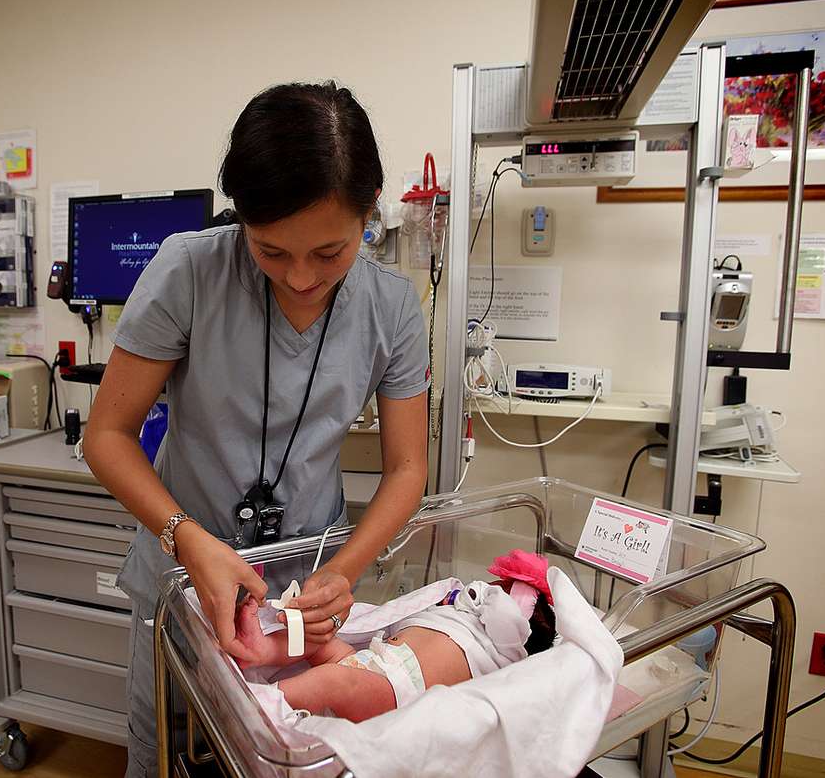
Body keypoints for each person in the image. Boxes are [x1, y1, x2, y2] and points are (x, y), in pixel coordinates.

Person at [83, 80, 430, 777]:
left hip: (303, 594)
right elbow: (108, 436)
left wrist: (344, 569)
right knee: (168, 755)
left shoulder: (391, 308)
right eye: (271, 252)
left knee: (295, 753)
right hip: (185, 573)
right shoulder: (189, 271)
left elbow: (407, 468)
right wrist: (188, 538)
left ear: (370, 216)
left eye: (329, 253)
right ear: (239, 219)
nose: (301, 278)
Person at [230, 550, 558, 723]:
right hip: (373, 661)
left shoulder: (504, 642)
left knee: (331, 680)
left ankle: (261, 705)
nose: (484, 587)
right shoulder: (455, 609)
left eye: (499, 587)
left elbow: (507, 614)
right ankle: (262, 650)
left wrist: (512, 593)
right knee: (322, 637)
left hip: (397, 692)